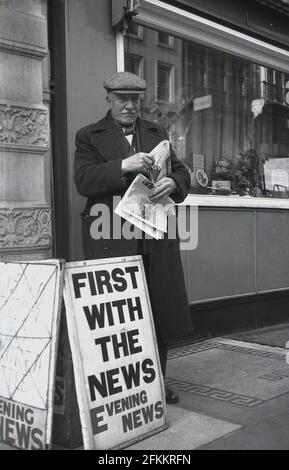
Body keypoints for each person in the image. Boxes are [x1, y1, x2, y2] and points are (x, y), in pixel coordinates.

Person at [74, 71, 193, 404]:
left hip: (154, 238)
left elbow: (180, 171)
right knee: (119, 315)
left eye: (134, 100)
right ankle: (122, 388)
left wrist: (175, 184)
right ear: (108, 99)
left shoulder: (157, 132)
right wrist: (123, 165)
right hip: (112, 237)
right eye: (121, 99)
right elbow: (83, 181)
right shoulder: (88, 136)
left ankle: (156, 383)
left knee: (158, 310)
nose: (129, 106)